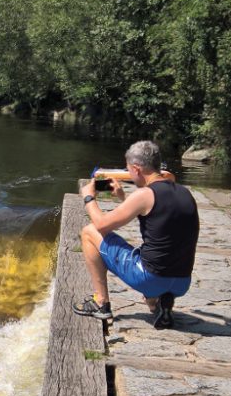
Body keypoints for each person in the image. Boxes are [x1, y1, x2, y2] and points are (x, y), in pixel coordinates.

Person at [73, 140, 199, 328]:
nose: (128, 174)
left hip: (150, 279)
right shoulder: (184, 192)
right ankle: (158, 303)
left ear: (136, 169)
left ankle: (101, 303)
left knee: (89, 232)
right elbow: (153, 212)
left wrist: (88, 196)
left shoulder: (144, 196)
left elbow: (101, 225)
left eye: (129, 171)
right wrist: (123, 197)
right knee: (154, 252)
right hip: (181, 282)